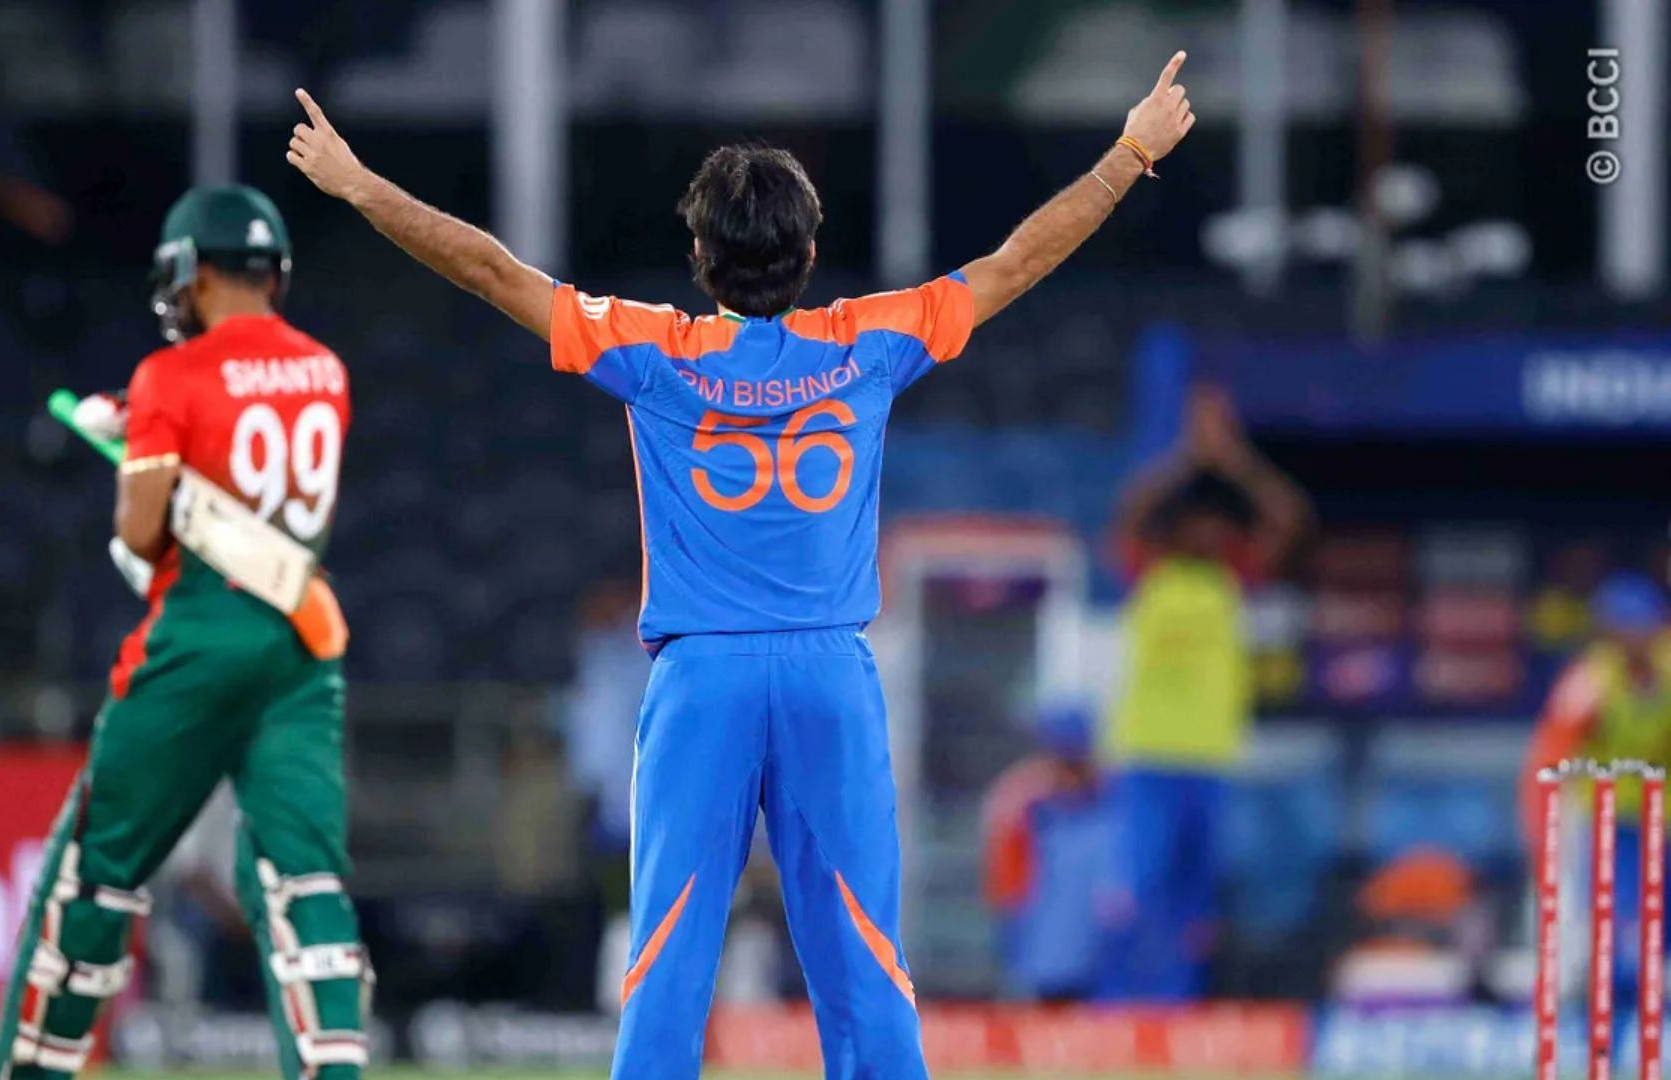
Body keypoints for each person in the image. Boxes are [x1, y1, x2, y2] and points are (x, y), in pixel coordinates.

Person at [287, 50, 1197, 1078]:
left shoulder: (653, 350)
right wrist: (1129, 153)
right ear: (808, 254)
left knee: (668, 956)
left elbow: (492, 270)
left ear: (699, 255)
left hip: (702, 679)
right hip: (829, 678)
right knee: (863, 959)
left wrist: (359, 186)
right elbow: (1020, 260)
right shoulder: (872, 341)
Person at [0, 185, 373, 1080]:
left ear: (201, 272)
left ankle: (24, 1074)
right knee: (305, 885)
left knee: (95, 870)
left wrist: (144, 454)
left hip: (202, 641)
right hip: (302, 646)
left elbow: (143, 532)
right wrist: (156, 439)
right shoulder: (326, 371)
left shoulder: (168, 376)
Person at [1098, 385, 1309, 1000]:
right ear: (1182, 530)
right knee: (1138, 889)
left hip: (1211, 755)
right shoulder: (1151, 574)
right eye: (1202, 524)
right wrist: (1189, 459)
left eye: (1222, 527)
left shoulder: (1232, 580)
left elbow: (1288, 519)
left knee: (1197, 900)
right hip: (1148, 754)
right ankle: (1116, 1007)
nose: (1213, 532)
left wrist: (1237, 463)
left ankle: (1179, 1009)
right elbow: (1129, 511)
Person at [1521, 571, 1671, 1011]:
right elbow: (1548, 757)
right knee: (1617, 922)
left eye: (1640, 625)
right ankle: (1610, 1010)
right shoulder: (1590, 678)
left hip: (1664, 819)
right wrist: (1540, 831)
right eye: (1620, 627)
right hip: (1609, 824)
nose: (1631, 637)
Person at [980, 703, 1110, 1001]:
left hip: (1098, 950)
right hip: (1040, 943)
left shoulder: (1109, 795)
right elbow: (1006, 881)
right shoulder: (1022, 796)